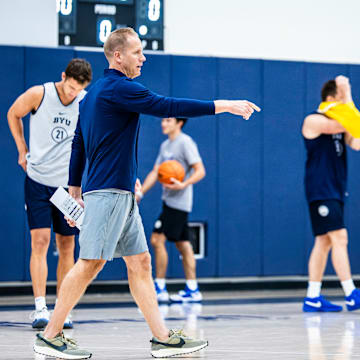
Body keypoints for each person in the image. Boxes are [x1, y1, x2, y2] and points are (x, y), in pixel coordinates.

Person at [33, 27, 260, 359]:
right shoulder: (119, 87)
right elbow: (165, 104)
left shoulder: (93, 93)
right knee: (90, 264)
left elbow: (79, 142)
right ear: (118, 56)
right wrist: (224, 105)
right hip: (108, 194)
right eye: (138, 52)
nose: (144, 57)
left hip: (119, 193)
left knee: (140, 262)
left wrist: (75, 189)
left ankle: (162, 338)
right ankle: (51, 335)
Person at [7, 59, 92, 329]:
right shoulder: (39, 94)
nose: (71, 94)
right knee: (40, 242)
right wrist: (21, 147)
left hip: (66, 187)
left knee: (67, 246)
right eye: (68, 88)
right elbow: (13, 113)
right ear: (63, 76)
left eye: (77, 91)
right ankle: (40, 307)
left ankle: (62, 309)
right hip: (38, 181)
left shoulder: (86, 101)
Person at [302, 75, 360, 312]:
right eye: (341, 96)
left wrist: (347, 99)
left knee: (324, 242)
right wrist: (349, 97)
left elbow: (356, 141)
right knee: (340, 238)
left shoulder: (342, 120)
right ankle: (351, 293)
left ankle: (312, 297)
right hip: (321, 188)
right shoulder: (314, 120)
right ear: (331, 98)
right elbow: (348, 123)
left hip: (336, 188)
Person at [137, 116, 205, 303]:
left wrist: (184, 184)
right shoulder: (166, 145)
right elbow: (155, 172)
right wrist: (140, 193)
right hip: (169, 201)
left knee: (157, 240)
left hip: (179, 203)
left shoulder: (185, 142)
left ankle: (159, 287)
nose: (163, 123)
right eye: (163, 120)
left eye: (168, 120)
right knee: (183, 244)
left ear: (179, 123)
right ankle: (192, 289)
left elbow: (200, 170)